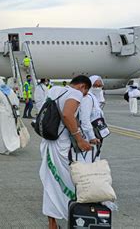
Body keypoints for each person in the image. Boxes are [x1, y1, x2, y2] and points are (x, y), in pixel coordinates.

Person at [39, 75, 93, 228]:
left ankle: (52, 223)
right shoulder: (75, 93)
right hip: (61, 145)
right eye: (85, 92)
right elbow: (68, 114)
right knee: (67, 182)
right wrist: (80, 139)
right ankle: (72, 217)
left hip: (48, 142)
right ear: (82, 86)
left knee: (50, 184)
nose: (83, 96)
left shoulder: (54, 90)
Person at [0, 79, 20, 154]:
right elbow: (16, 102)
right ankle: (13, 145)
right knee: (10, 131)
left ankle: (2, 149)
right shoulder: (11, 91)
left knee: (2, 132)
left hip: (2, 115)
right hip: (11, 114)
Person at [79, 76, 106, 162]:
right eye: (95, 85)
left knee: (94, 157)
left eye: (100, 86)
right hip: (88, 134)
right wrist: (92, 137)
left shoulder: (96, 97)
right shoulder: (87, 98)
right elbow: (85, 120)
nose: (97, 88)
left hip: (96, 132)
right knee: (89, 159)